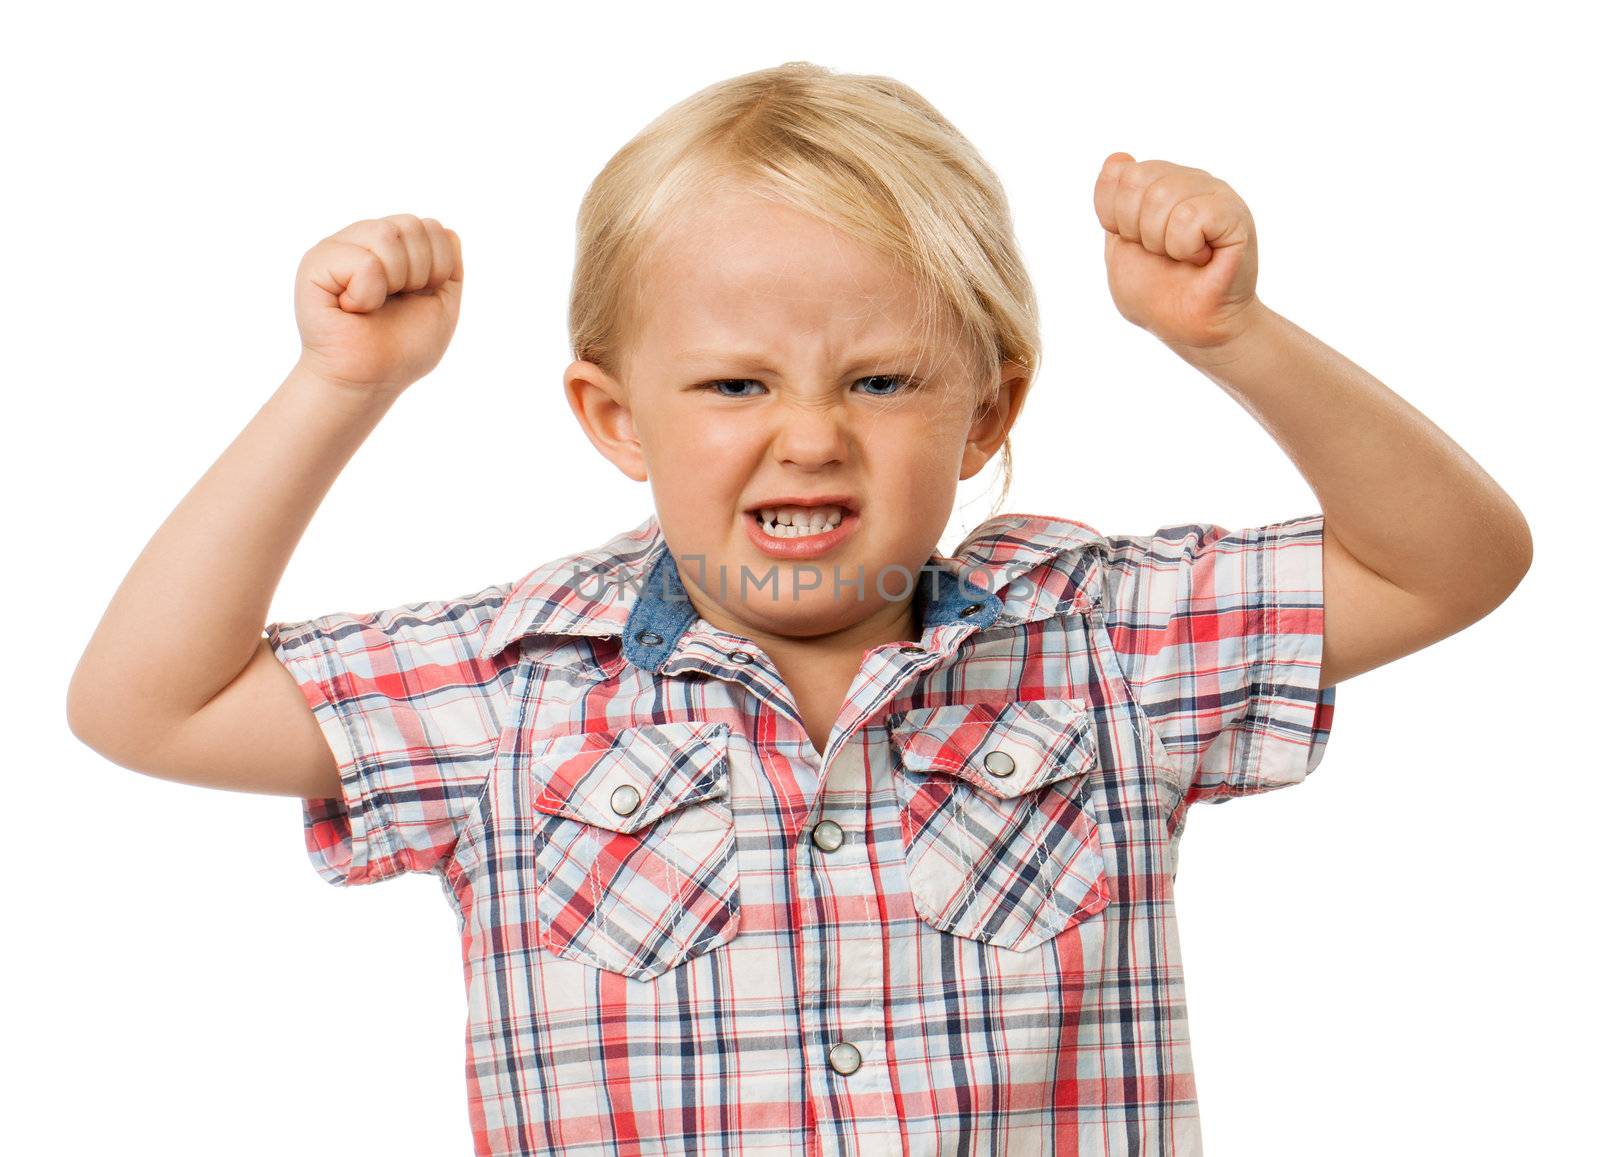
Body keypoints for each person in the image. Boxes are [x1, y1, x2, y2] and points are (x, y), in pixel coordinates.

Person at [66, 60, 1532, 1157]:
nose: (813, 434)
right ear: (613, 416)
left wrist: (1233, 335)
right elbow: (147, 700)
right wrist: (343, 386)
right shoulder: (514, 685)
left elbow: (1450, 560)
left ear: (985, 411)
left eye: (882, 380)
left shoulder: (1099, 646)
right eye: (735, 384)